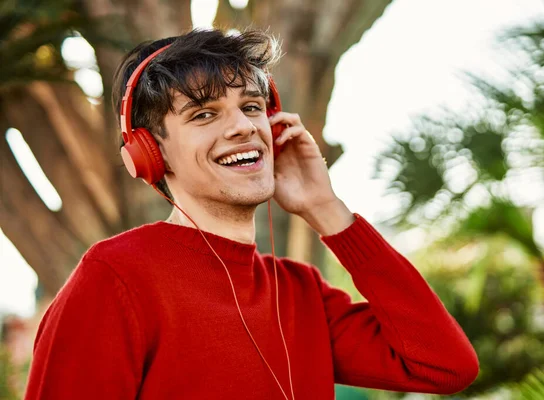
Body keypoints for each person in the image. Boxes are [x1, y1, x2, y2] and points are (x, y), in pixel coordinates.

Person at [24, 29, 478, 400]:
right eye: (203, 114)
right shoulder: (116, 277)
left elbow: (445, 366)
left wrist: (325, 208)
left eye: (251, 106)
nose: (242, 126)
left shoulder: (302, 294)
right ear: (150, 153)